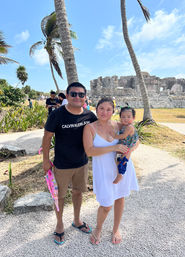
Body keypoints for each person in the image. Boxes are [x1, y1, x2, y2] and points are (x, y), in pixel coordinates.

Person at [42, 82, 97, 245]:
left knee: (78, 193)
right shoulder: (57, 115)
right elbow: (47, 138)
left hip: (82, 163)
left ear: (85, 97)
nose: (77, 97)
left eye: (81, 94)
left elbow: (102, 130)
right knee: (59, 196)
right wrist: (45, 160)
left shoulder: (89, 116)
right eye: (73, 94)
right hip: (62, 165)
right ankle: (59, 225)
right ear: (67, 96)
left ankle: (77, 220)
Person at [83, 97, 139, 245]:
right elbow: (89, 151)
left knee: (120, 198)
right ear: (96, 109)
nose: (104, 112)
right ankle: (98, 228)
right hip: (103, 171)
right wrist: (113, 147)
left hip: (121, 168)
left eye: (109, 109)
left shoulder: (120, 125)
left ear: (113, 111)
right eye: (101, 108)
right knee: (106, 204)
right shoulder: (90, 128)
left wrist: (129, 152)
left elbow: (136, 140)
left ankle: (115, 229)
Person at [113, 105, 139, 184]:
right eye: (123, 117)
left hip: (127, 147)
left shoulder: (129, 127)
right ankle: (119, 173)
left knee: (122, 160)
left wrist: (114, 136)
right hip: (125, 146)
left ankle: (120, 174)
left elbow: (123, 136)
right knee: (119, 159)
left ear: (133, 118)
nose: (126, 119)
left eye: (128, 117)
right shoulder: (124, 126)